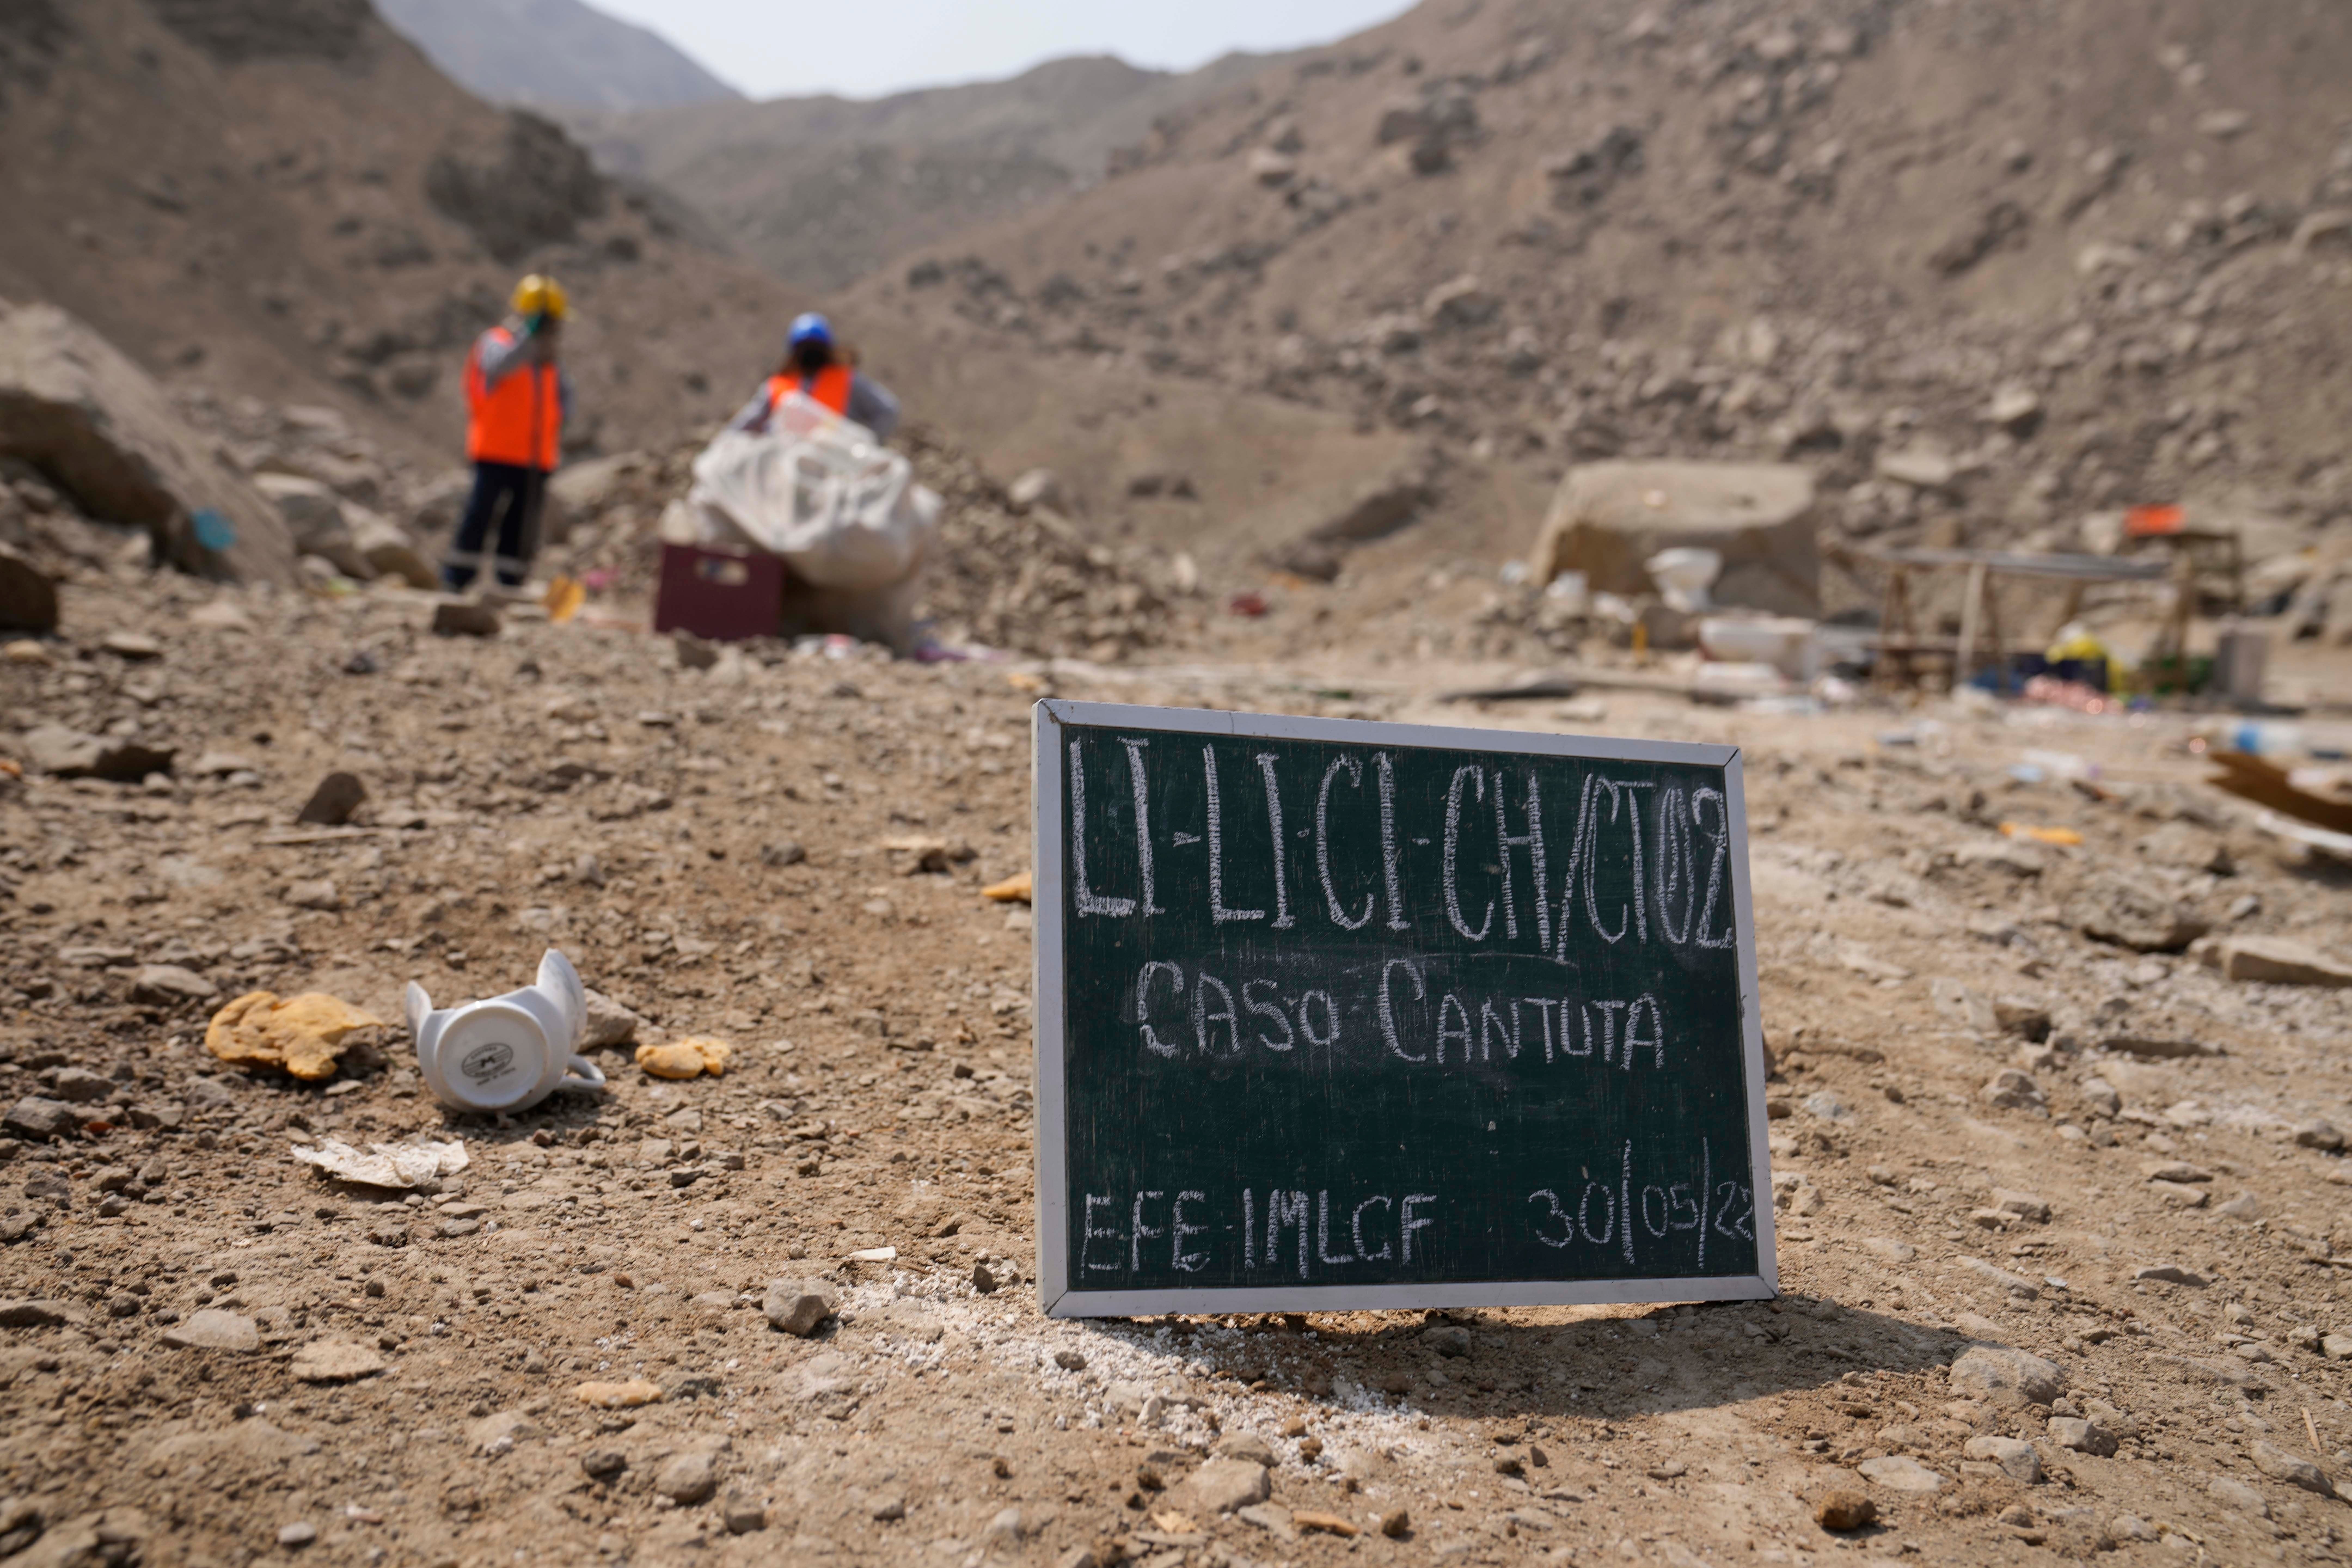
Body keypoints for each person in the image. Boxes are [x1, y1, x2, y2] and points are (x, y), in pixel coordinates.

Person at [442, 275, 572, 592]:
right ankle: (458, 581)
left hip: (535, 459)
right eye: (552, 323)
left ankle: (510, 585)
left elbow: (564, 399)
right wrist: (529, 336)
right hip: (496, 452)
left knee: (520, 527)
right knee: (480, 517)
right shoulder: (497, 342)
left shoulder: (547, 359)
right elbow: (498, 367)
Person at [727, 313, 900, 440]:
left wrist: (864, 443)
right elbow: (743, 425)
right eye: (805, 348)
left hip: (837, 470)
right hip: (786, 469)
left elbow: (887, 410)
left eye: (814, 348)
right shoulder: (776, 387)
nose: (810, 354)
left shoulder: (848, 381)